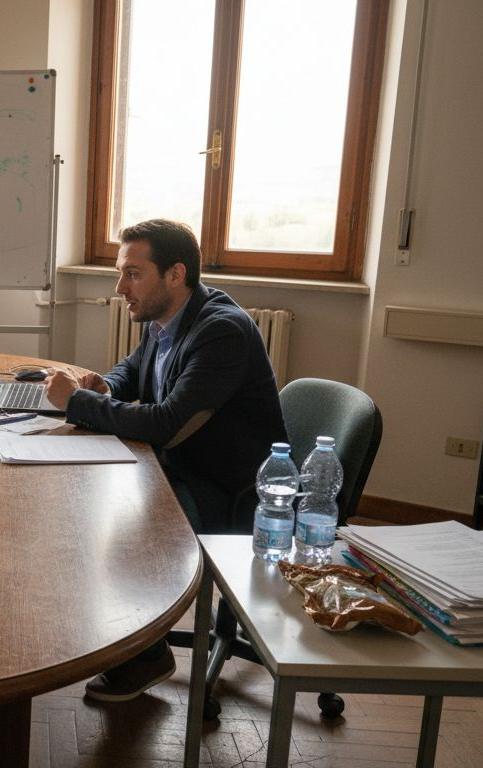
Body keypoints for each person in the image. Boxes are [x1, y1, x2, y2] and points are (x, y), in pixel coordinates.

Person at [43, 219, 286, 703]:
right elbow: (135, 370)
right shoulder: (168, 317)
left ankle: (147, 654)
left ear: (175, 274)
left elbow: (167, 422)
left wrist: (77, 403)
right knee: (87, 498)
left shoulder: (222, 332)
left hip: (231, 493)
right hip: (187, 466)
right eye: (120, 273)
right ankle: (133, 642)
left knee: (116, 525)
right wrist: (103, 386)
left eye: (132, 273)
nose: (120, 288)